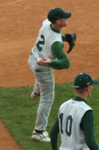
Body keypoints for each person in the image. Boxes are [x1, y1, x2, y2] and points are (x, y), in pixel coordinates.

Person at [28, 8, 75, 142]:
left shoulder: (45, 24)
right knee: (48, 98)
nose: (67, 19)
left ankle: (36, 92)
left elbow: (52, 35)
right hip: (42, 67)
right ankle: (39, 131)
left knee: (40, 82)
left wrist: (64, 37)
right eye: (64, 18)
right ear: (58, 22)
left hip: (33, 58)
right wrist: (52, 61)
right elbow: (65, 63)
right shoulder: (56, 44)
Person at [50, 72, 99, 150]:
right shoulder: (86, 111)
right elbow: (90, 142)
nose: (92, 87)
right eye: (91, 85)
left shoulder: (64, 105)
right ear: (87, 88)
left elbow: (53, 133)